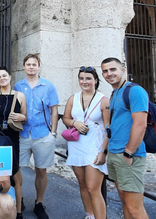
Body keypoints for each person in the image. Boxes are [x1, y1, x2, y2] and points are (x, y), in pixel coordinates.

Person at [101, 57, 149, 219]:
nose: (109, 74)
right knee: (125, 202)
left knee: (135, 209)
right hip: (115, 154)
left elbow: (140, 125)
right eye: (105, 71)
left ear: (123, 70)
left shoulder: (134, 90)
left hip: (129, 155)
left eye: (113, 69)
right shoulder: (115, 93)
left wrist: (128, 152)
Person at [14, 54, 59, 219]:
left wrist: (53, 132)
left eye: (34, 64)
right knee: (16, 168)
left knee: (41, 170)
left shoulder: (48, 86)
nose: (31, 67)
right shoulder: (18, 86)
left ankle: (39, 203)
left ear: (39, 66)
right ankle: (20, 199)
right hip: (23, 133)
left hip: (42, 134)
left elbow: (54, 109)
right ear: (24, 67)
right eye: (28, 64)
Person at [62, 66, 110, 219]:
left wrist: (103, 151)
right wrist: (75, 123)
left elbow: (109, 128)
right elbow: (66, 118)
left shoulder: (103, 100)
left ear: (96, 80)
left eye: (88, 78)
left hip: (95, 146)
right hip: (76, 145)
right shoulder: (73, 98)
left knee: (93, 188)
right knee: (82, 184)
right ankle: (89, 215)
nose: (84, 81)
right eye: (81, 78)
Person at [0, 66, 27, 219]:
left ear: (10, 76)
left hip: (11, 138)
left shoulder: (20, 95)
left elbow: (25, 117)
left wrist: (22, 117)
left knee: (14, 173)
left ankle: (19, 208)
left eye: (4, 76)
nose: (1, 79)